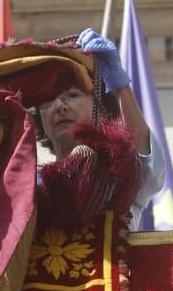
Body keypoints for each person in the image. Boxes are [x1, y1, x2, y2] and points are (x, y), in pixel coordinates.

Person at [38, 28, 164, 230]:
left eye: (72, 95)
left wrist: (120, 86)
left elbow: (145, 158)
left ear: (101, 109)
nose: (60, 106)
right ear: (40, 121)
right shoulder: (31, 187)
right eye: (47, 101)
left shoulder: (121, 176)